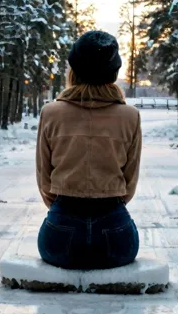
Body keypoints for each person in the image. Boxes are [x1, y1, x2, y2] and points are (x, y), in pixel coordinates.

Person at [36, 30, 142, 270]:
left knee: (58, 249)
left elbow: (44, 178)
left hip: (60, 235)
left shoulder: (51, 113)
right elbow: (129, 182)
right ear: (113, 73)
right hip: (116, 236)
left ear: (73, 70)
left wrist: (64, 207)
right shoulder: (130, 116)